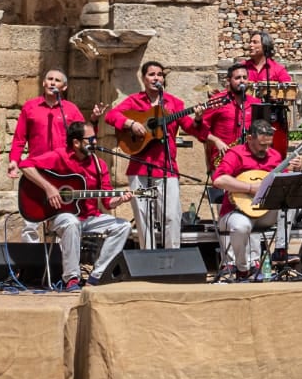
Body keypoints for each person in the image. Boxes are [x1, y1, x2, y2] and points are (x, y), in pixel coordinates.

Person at [26, 121, 130, 290]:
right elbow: (26, 165)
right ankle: (72, 278)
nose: (95, 142)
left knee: (123, 226)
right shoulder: (60, 156)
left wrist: (119, 199)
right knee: (72, 222)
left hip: (89, 217)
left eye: (95, 138)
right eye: (90, 139)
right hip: (60, 216)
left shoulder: (99, 165)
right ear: (76, 142)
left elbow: (107, 202)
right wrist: (49, 188)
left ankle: (96, 276)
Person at [104, 61, 186, 249]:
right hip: (139, 168)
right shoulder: (134, 101)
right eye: (151, 74)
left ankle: (172, 257)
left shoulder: (174, 103)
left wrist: (198, 118)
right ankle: (147, 257)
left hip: (167, 167)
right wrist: (130, 124)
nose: (156, 78)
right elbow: (111, 116)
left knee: (172, 216)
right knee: (143, 217)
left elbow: (191, 126)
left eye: (159, 74)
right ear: (143, 78)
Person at [212, 115, 290, 282]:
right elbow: (219, 180)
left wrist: (291, 170)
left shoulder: (274, 156)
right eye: (262, 144)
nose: (266, 149)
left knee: (291, 205)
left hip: (265, 213)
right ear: (249, 138)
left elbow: (284, 184)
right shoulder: (236, 154)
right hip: (236, 211)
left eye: (269, 144)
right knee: (241, 227)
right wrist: (250, 188)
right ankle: (242, 268)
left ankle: (281, 251)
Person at [11, 68, 85, 241]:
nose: (52, 83)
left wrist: (95, 121)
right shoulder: (31, 106)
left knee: (63, 218)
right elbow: (19, 138)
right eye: (49, 79)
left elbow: (83, 137)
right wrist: (14, 160)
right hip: (36, 170)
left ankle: (58, 260)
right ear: (44, 83)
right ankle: (32, 264)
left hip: (63, 172)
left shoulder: (71, 110)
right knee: (31, 222)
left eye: (57, 80)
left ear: (64, 87)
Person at [190, 62, 267, 178]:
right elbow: (199, 129)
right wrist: (216, 141)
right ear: (229, 80)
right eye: (237, 78)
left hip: (249, 161)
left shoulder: (256, 103)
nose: (242, 81)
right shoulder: (218, 101)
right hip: (223, 160)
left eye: (244, 78)